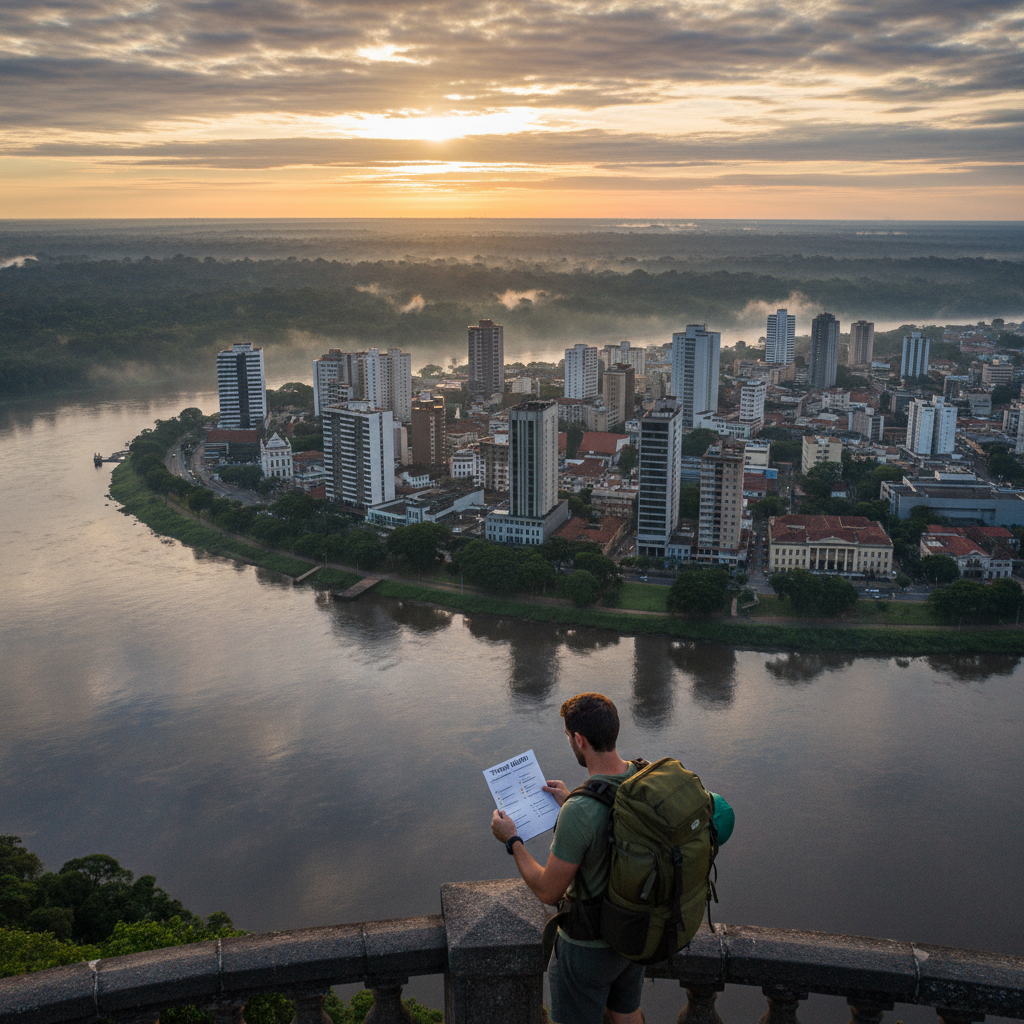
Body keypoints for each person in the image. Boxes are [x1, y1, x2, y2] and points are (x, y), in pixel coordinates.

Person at [490, 692, 647, 1024]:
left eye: (568, 738)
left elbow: (549, 892)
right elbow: (616, 828)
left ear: (579, 739)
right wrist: (573, 797)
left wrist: (513, 840)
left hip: (589, 946)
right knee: (625, 1013)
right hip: (636, 932)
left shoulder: (581, 811)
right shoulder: (640, 777)